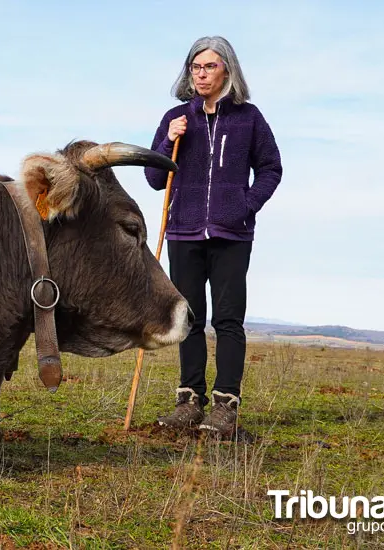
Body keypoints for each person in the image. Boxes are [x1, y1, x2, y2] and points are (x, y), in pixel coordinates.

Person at [144, 36, 282, 438]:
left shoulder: (249, 118)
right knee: (188, 320)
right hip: (183, 232)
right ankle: (188, 401)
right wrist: (169, 138)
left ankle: (225, 405)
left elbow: (271, 169)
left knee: (228, 319)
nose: (202, 74)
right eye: (196, 67)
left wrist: (244, 205)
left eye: (210, 66)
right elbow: (154, 179)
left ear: (228, 70)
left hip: (231, 235)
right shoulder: (176, 118)